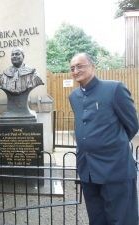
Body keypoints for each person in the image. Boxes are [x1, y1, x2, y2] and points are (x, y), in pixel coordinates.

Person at [69, 52, 138, 225]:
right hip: (88, 170)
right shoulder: (74, 97)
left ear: (92, 66)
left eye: (80, 66)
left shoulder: (115, 89)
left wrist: (110, 145)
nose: (76, 70)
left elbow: (132, 125)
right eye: (72, 68)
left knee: (122, 220)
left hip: (115, 169)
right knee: (97, 219)